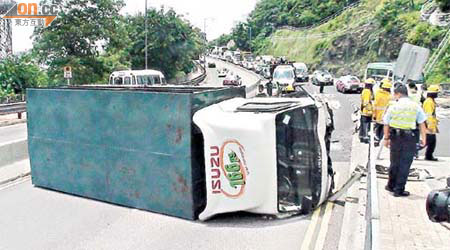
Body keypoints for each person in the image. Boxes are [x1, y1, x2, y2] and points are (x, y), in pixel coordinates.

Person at [383, 84, 427, 197]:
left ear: (398, 94)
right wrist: (424, 139)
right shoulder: (415, 106)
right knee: (405, 164)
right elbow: (422, 123)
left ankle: (391, 185)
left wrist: (386, 138)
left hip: (395, 137)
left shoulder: (393, 106)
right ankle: (399, 190)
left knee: (394, 162)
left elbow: (386, 123)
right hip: (410, 138)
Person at [373, 79, 392, 146]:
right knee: (383, 129)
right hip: (386, 116)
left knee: (377, 128)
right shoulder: (390, 96)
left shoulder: (378, 93)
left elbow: (375, 105)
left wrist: (374, 115)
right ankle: (379, 140)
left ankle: (376, 140)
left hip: (378, 115)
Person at [423, 85, 440, 161]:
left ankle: (428, 156)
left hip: (431, 125)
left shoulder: (431, 101)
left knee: (431, 142)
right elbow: (428, 115)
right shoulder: (429, 102)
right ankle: (414, 152)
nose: (437, 94)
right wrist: (429, 126)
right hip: (428, 125)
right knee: (429, 141)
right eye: (436, 93)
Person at [359, 78, 375, 143]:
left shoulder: (367, 91)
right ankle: (365, 138)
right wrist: (370, 109)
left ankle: (362, 137)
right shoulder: (367, 91)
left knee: (364, 125)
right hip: (366, 112)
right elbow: (366, 102)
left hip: (366, 112)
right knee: (365, 126)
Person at [408, 82, 423, 158]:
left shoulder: (408, 96)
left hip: (409, 117)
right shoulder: (419, 95)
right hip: (416, 117)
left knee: (409, 135)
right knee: (416, 135)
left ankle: (410, 152)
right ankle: (415, 153)